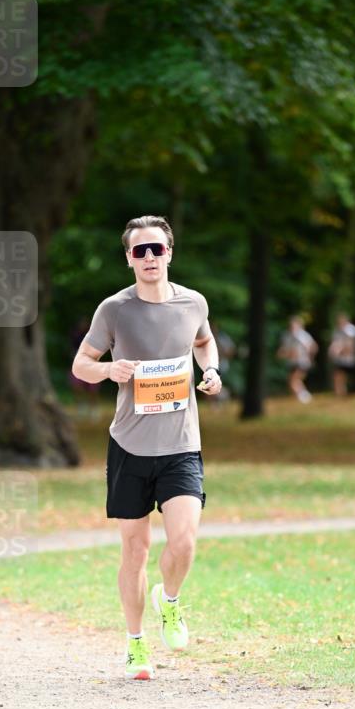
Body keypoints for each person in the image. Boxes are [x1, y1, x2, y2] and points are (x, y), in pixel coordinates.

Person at [71, 216, 222, 681]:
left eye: (157, 249)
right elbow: (81, 364)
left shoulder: (193, 302)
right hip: (130, 446)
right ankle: (136, 644)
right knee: (134, 551)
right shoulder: (114, 310)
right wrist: (109, 372)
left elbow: (204, 340)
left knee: (184, 540)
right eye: (140, 251)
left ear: (170, 252)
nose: (150, 258)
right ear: (129, 259)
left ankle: (169, 602)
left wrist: (212, 371)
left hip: (181, 445)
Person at [277, 315, 318, 403]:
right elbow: (284, 349)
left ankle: (305, 398)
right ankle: (301, 398)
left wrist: (309, 357)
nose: (292, 326)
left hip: (302, 362)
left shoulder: (303, 335)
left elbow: (313, 347)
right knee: (295, 381)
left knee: (293, 380)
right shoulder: (287, 336)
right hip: (292, 362)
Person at [328, 312, 355, 397]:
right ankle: (340, 395)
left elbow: (351, 346)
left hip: (350, 359)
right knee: (338, 377)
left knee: (344, 377)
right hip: (340, 359)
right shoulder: (337, 330)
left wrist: (340, 351)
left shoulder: (351, 330)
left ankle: (345, 394)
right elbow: (334, 344)